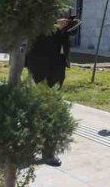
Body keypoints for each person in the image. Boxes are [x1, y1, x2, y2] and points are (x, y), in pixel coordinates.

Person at [25, 15, 81, 166]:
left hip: (57, 65)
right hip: (40, 64)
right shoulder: (37, 10)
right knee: (44, 107)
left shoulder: (57, 5)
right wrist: (54, 25)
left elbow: (73, 29)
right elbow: (31, 28)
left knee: (49, 107)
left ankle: (43, 148)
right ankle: (45, 151)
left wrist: (65, 24)